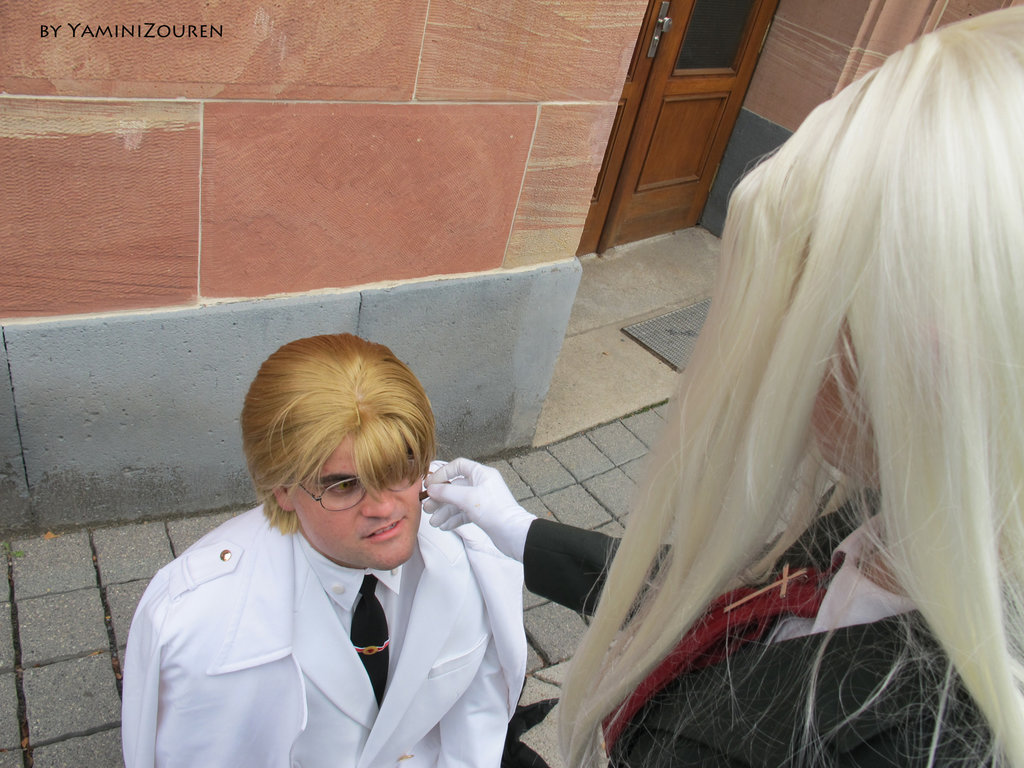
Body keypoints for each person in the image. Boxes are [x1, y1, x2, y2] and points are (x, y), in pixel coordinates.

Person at [423, 8, 1024, 767]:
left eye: (800, 294)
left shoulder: (900, 740)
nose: (765, 343)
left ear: (927, 353)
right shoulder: (897, 515)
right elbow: (718, 604)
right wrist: (518, 529)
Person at [122, 333, 526, 768]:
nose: (384, 508)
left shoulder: (474, 550)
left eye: (399, 466)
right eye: (344, 485)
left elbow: (478, 721)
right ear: (281, 488)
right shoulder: (197, 627)